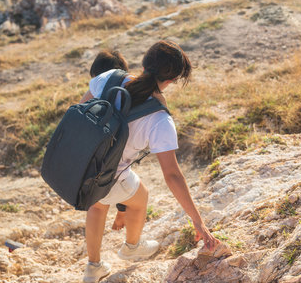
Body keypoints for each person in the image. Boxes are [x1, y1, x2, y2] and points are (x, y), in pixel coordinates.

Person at [81, 40, 220, 282]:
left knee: (98, 204)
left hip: (81, 166)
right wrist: (198, 222)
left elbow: (80, 111)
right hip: (109, 176)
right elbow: (172, 175)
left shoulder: (111, 77)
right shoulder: (159, 119)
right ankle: (132, 246)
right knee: (140, 196)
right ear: (172, 80)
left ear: (145, 62)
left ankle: (93, 266)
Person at [85, 48, 130, 231]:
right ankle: (122, 213)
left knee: (98, 201)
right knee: (126, 179)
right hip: (122, 145)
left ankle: (93, 260)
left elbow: (79, 108)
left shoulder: (96, 84)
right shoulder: (127, 88)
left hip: (99, 145)